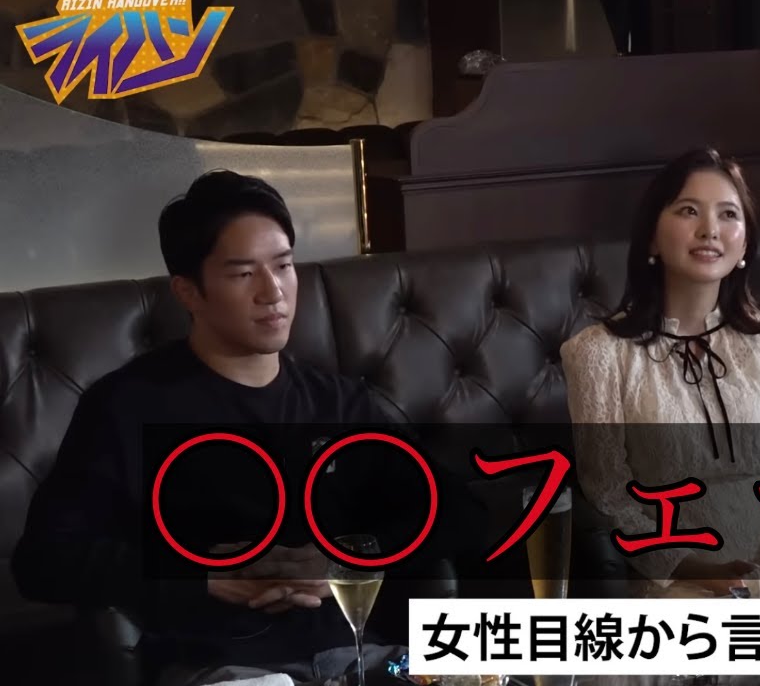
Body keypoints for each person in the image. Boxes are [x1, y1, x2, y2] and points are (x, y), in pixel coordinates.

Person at [11, 170, 466, 686]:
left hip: (360, 655)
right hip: (224, 666)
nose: (273, 292)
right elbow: (44, 560)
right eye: (243, 274)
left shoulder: (338, 402)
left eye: (284, 266)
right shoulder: (128, 405)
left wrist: (349, 559)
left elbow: (454, 508)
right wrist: (201, 576)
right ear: (189, 292)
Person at [560, 147, 760, 597]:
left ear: (745, 243)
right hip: (669, 582)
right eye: (688, 211)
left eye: (728, 214)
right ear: (652, 238)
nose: (710, 230)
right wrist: (694, 569)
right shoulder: (598, 353)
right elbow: (608, 494)